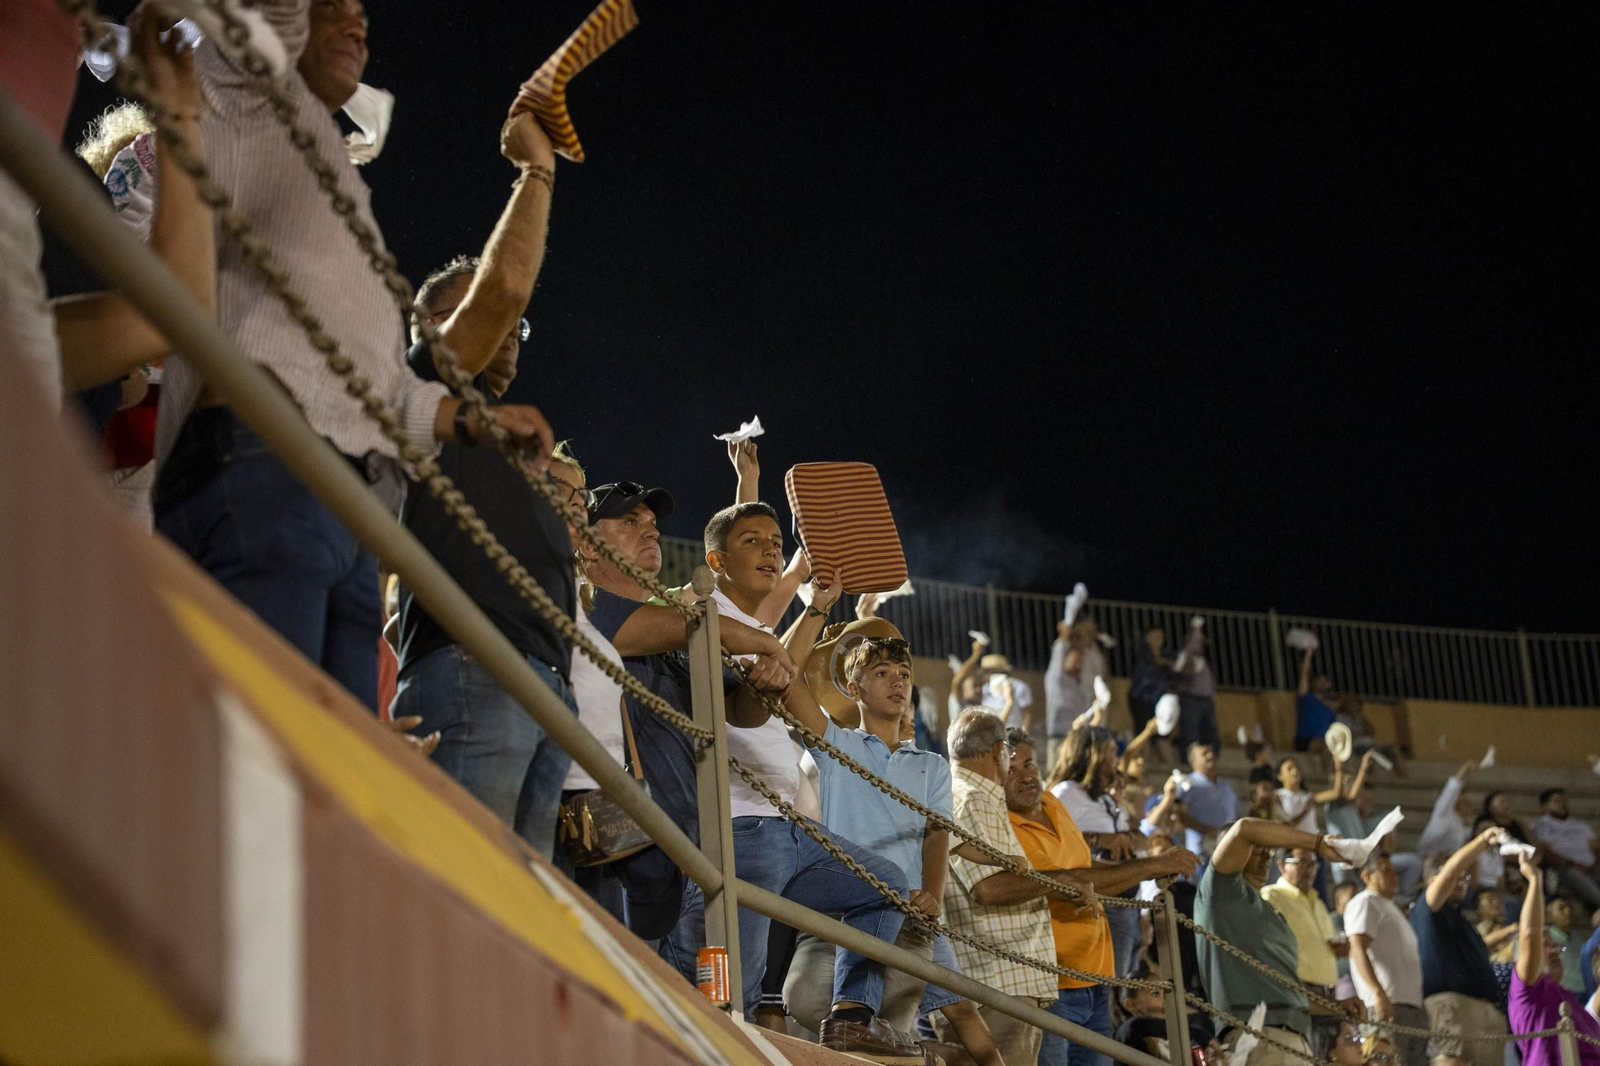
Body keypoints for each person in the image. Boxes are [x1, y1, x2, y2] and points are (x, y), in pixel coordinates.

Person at [150, 0, 555, 711]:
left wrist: (471, 420)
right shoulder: (246, 95)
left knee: (327, 773)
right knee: (269, 747)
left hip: (350, 511)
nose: (356, 23)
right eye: (329, 8)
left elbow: (377, 388)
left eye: (362, 14)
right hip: (269, 464)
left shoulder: (333, 177)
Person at [389, 108, 574, 855]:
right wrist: (536, 171)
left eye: (522, 327)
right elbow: (501, 291)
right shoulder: (419, 393)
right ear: (429, 329)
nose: (508, 329)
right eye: (474, 314)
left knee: (520, 916)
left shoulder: (510, 440)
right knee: (466, 889)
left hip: (540, 685)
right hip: (474, 668)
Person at [580, 481, 796, 941]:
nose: (651, 532)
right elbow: (645, 629)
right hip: (615, 847)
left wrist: (766, 688)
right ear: (586, 543)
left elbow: (740, 711)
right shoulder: (585, 603)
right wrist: (760, 639)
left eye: (654, 524)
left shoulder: (674, 625)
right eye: (629, 522)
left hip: (683, 852)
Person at [779, 637, 984, 1062]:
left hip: (907, 919)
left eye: (904, 675)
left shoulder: (933, 764)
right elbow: (788, 680)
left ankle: (904, 1047)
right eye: (882, 673)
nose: (898, 683)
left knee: (878, 1042)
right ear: (853, 689)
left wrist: (932, 894)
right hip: (839, 914)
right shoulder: (838, 745)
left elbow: (937, 833)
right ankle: (914, 1053)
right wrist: (820, 621)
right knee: (802, 999)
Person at [1009, 728, 1199, 1066]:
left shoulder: (1052, 802)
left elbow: (1082, 864)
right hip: (1052, 981)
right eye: (1011, 769)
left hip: (1094, 975)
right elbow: (1071, 880)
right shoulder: (1010, 824)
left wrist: (1141, 864)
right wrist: (1150, 865)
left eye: (1030, 765)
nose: (1026, 777)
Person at [942, 708, 1091, 1066]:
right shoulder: (972, 799)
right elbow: (989, 889)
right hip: (997, 983)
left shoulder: (975, 797)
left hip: (997, 982)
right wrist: (1062, 882)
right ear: (998, 751)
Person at [1194, 816, 1364, 1066]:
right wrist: (1318, 843)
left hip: (1295, 1040)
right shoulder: (1219, 892)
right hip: (1259, 1037)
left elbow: (1286, 990)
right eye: (1255, 850)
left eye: (1268, 852)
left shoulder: (1267, 911)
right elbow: (1245, 828)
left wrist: (1336, 1006)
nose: (1265, 858)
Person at [1048, 726, 1153, 978]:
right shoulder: (1066, 793)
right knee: (1108, 986)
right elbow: (1052, 840)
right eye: (1110, 752)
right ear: (1092, 756)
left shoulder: (1103, 799)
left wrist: (1128, 838)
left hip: (1128, 902)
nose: (1116, 760)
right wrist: (1099, 839)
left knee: (1125, 990)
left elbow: (1138, 840)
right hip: (1102, 904)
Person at [1410, 828, 1512, 1066]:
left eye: (1465, 878)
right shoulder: (1429, 908)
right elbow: (1449, 873)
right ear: (1434, 881)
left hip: (1484, 1010)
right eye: (1456, 876)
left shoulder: (1462, 921)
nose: (1461, 882)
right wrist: (1482, 842)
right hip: (1453, 1006)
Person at [1507, 849, 1600, 1066]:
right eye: (1545, 946)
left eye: (1554, 946)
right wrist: (1534, 879)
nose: (1553, 951)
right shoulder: (1527, 993)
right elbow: (1530, 935)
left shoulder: (1571, 1003)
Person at [1261, 847, 1347, 1053]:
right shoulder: (1271, 896)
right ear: (1282, 865)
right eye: (1303, 863)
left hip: (1329, 996)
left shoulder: (1318, 903)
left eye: (1314, 864)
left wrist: (1338, 950)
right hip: (1298, 994)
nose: (1310, 869)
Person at [1345, 852, 1427, 1066]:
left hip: (1411, 1006)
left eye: (1395, 871)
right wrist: (1378, 992)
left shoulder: (1391, 908)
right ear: (1367, 876)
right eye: (1386, 871)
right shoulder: (1365, 902)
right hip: (1386, 1004)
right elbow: (1357, 948)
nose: (1395, 876)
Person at [1044, 617, 1109, 766]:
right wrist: (1068, 632)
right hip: (1059, 735)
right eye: (1075, 659)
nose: (1079, 664)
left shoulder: (1080, 684)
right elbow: (1060, 650)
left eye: (1081, 661)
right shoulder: (1056, 677)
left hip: (1079, 738)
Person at [1532, 788, 1600, 911]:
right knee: (1575, 875)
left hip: (1592, 867)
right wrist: (1574, 864)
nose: (1563, 804)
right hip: (1565, 868)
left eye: (1564, 800)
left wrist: (1595, 865)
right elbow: (1547, 852)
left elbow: (1595, 848)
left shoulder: (1580, 825)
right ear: (1544, 807)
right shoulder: (1542, 825)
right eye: (1557, 801)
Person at [1178, 742, 1238, 857]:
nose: (1210, 756)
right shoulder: (1187, 784)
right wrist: (1207, 830)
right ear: (1193, 761)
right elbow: (1181, 815)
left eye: (1211, 752)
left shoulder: (1226, 786)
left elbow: (1236, 814)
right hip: (1202, 851)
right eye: (1204, 754)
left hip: (1229, 849)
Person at [1171, 617, 1220, 756]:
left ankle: (1211, 757)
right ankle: (1189, 759)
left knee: (1209, 732)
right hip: (1191, 700)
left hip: (1206, 701)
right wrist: (1196, 629)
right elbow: (1180, 672)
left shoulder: (1201, 660)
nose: (1200, 643)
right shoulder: (1186, 657)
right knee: (1190, 732)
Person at [1276, 757, 1342, 834]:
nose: (1295, 771)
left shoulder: (1308, 796)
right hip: (1293, 843)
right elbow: (1289, 824)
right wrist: (1306, 809)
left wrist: (1338, 767)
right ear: (1280, 776)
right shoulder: (1277, 796)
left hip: (1312, 842)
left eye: (1296, 767)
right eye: (1289, 769)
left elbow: (1336, 793)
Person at [1127, 626, 1173, 738]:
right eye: (1156, 636)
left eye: (1161, 636)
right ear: (1147, 637)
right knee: (1144, 735)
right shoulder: (1142, 651)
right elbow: (1156, 660)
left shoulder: (1165, 653)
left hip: (1158, 701)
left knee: (1161, 737)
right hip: (1141, 699)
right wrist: (1168, 662)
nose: (1159, 639)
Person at [1294, 647, 1336, 754]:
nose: (1323, 683)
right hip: (1305, 740)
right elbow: (1304, 672)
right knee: (1325, 747)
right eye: (1320, 681)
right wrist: (1309, 652)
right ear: (1313, 683)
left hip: (1324, 741)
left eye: (1325, 681)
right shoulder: (1306, 698)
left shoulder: (1329, 706)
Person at [1473, 889, 1518, 965]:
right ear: (1479, 908)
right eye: (1490, 900)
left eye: (1498, 899)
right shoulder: (1477, 930)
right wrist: (1511, 929)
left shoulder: (1505, 926)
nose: (1496, 902)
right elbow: (1481, 944)